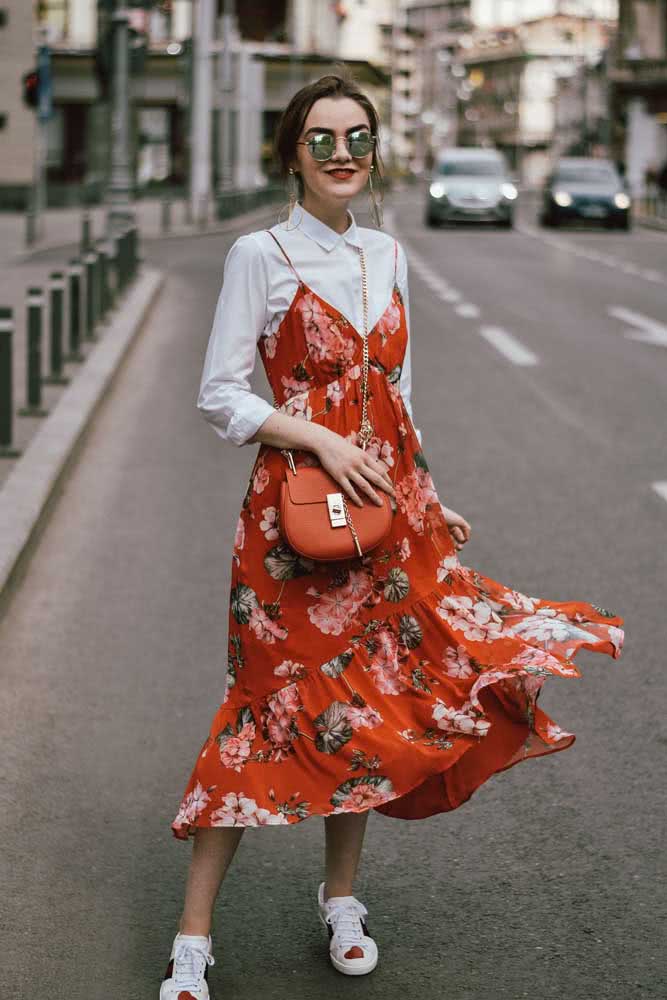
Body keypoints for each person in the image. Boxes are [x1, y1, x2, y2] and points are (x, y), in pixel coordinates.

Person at [160, 72, 625, 998]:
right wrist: (324, 437)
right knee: (264, 710)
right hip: (292, 524)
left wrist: (426, 493)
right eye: (322, 137)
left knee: (366, 712)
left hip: (385, 518)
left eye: (357, 137)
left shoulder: (386, 254)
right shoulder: (260, 254)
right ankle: (192, 942)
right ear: (292, 151)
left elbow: (397, 399)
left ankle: (340, 901)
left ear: (375, 153)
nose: (341, 153)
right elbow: (220, 395)